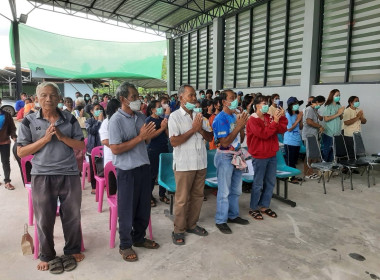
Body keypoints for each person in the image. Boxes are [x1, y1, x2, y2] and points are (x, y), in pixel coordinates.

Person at [17, 82, 85, 272]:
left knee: (72, 215)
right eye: (44, 95)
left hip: (69, 173)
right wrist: (45, 139)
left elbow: (80, 146)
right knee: (44, 217)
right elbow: (21, 152)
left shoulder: (70, 119)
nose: (49, 99)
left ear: (59, 98)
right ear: (37, 98)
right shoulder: (29, 121)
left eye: (53, 95)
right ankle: (47, 255)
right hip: (42, 174)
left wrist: (63, 137)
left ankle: (72, 250)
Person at [109, 82, 160, 262]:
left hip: (143, 167)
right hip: (127, 170)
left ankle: (139, 237)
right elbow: (115, 148)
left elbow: (145, 142)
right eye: (134, 97)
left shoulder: (140, 117)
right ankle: (125, 244)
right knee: (127, 209)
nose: (138, 100)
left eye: (138, 96)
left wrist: (146, 137)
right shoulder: (115, 120)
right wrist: (140, 137)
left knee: (143, 206)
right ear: (123, 99)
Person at [168, 85, 213, 245]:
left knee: (198, 196)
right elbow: (174, 141)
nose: (195, 98)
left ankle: (192, 224)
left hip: (200, 162)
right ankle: (178, 230)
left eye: (195, 95)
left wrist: (200, 130)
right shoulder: (174, 117)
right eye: (191, 95)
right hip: (184, 164)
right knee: (182, 199)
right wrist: (193, 130)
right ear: (181, 98)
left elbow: (210, 137)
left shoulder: (200, 116)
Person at [212, 90, 250, 234]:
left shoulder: (234, 116)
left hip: (236, 155)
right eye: (232, 98)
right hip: (225, 157)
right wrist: (239, 126)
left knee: (236, 189)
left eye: (236, 98)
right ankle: (221, 220)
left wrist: (242, 126)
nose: (235, 101)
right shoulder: (220, 119)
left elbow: (239, 138)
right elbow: (225, 142)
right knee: (224, 191)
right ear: (224, 102)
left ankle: (233, 215)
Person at [246, 95, 287, 220]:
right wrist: (274, 121)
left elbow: (282, 128)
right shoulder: (252, 119)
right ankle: (253, 207)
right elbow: (263, 134)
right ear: (256, 105)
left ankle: (264, 205)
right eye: (263, 103)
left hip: (271, 154)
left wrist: (281, 117)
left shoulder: (270, 117)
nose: (266, 106)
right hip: (259, 155)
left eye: (267, 103)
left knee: (270, 182)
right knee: (258, 183)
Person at [145, 100, 170, 207]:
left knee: (163, 172)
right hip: (153, 150)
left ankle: (162, 194)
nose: (161, 108)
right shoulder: (149, 120)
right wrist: (162, 128)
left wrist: (166, 128)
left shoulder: (162, 120)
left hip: (164, 148)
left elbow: (168, 134)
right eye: (159, 107)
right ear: (152, 109)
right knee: (152, 174)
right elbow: (149, 137)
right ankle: (149, 196)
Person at [302, 95, 326, 179]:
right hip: (309, 135)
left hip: (313, 135)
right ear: (316, 102)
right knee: (309, 155)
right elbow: (309, 121)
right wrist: (319, 126)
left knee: (312, 155)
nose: (320, 105)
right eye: (320, 104)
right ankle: (307, 173)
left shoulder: (315, 110)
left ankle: (311, 171)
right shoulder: (309, 109)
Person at [284, 97, 304, 184]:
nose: (296, 106)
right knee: (290, 160)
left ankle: (293, 175)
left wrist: (300, 119)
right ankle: (289, 177)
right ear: (290, 105)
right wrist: (298, 119)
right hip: (289, 141)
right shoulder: (287, 115)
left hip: (297, 140)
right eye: (294, 104)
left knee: (295, 160)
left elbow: (301, 127)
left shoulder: (297, 114)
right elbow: (289, 129)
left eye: (297, 104)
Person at [321, 89, 345, 162]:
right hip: (329, 133)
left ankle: (329, 170)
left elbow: (341, 117)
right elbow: (326, 119)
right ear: (332, 96)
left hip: (336, 133)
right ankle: (323, 169)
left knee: (333, 152)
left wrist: (341, 113)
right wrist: (338, 113)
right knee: (326, 151)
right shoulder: (328, 106)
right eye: (337, 95)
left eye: (339, 95)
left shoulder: (338, 105)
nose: (338, 97)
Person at [85, 103, 104, 194]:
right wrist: (99, 122)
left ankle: (103, 183)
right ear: (92, 111)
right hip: (92, 148)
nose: (99, 111)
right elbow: (91, 131)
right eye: (96, 109)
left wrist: (101, 121)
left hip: (102, 148)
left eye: (100, 109)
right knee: (93, 168)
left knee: (102, 166)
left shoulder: (104, 120)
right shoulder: (88, 121)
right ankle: (94, 186)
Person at [0, 98, 17, 190]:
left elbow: (12, 128)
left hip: (5, 142)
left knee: (5, 162)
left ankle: (7, 182)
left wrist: (14, 137)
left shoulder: (6, 115)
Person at [99, 99, 121, 169]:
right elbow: (105, 141)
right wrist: (118, 149)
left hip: (122, 157)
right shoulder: (106, 122)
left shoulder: (121, 120)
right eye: (119, 108)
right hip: (111, 157)